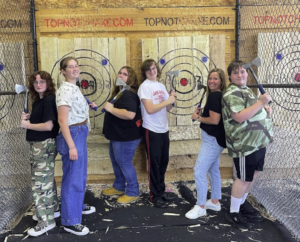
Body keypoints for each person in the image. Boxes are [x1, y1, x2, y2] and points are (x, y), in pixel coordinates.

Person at [222, 60, 273, 229]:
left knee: (253, 175)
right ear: (230, 76)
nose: (240, 75)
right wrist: (261, 103)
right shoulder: (232, 93)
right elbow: (238, 117)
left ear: (247, 73)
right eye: (235, 73)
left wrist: (263, 110)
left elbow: (250, 111)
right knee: (243, 178)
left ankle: (241, 204)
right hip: (245, 145)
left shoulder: (245, 91)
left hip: (257, 143)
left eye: (243, 71)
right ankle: (234, 213)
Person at [56, 57, 97, 236]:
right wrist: (71, 146)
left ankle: (76, 205)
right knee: (73, 178)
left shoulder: (73, 88)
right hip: (72, 135)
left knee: (78, 175)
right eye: (70, 67)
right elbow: (62, 120)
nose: (74, 69)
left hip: (79, 133)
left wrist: (87, 103)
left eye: (76, 66)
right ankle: (70, 221)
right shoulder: (65, 90)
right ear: (63, 71)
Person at [20, 71, 60, 237]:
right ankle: (52, 210)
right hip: (38, 146)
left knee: (40, 184)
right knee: (45, 180)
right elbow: (39, 122)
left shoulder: (49, 100)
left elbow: (49, 126)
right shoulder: (39, 100)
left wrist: (27, 125)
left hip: (44, 145)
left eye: (42, 81)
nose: (38, 84)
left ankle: (47, 221)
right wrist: (28, 119)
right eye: (35, 82)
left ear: (48, 83)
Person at [185, 68, 227, 219]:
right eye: (210, 78)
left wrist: (197, 117)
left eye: (215, 79)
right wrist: (203, 113)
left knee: (199, 170)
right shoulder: (218, 96)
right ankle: (215, 201)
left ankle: (201, 206)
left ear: (221, 81)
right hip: (214, 139)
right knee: (212, 169)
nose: (212, 81)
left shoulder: (215, 95)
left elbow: (214, 121)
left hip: (212, 140)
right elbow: (215, 117)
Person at [138, 59, 177, 208]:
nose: (152, 71)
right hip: (151, 129)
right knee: (154, 164)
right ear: (145, 72)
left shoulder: (160, 85)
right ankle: (154, 196)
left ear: (157, 69)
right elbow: (150, 109)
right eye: (148, 70)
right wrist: (168, 101)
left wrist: (171, 100)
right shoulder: (144, 87)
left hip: (163, 128)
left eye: (153, 68)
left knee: (163, 162)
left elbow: (166, 109)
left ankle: (161, 191)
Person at [102, 66, 142, 204]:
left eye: (125, 74)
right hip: (118, 136)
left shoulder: (128, 94)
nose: (120, 75)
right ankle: (119, 186)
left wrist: (111, 109)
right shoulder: (119, 92)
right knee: (116, 161)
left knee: (124, 163)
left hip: (126, 137)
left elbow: (130, 114)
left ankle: (133, 191)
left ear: (130, 79)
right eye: (120, 72)